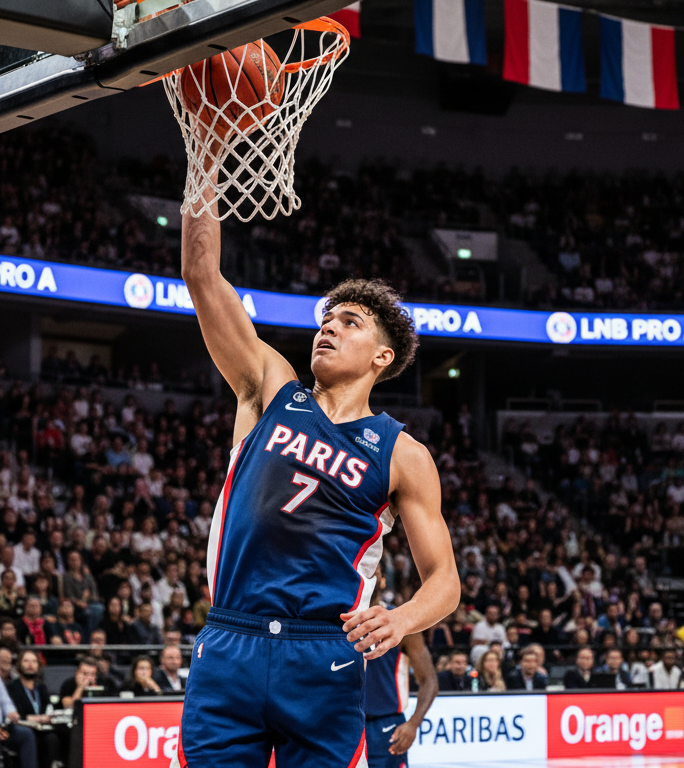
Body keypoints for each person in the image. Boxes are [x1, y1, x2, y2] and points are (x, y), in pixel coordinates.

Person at [178, 203, 459, 768]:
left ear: (383, 356)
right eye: (326, 320)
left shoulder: (403, 453)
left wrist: (400, 618)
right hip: (234, 637)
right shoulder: (270, 390)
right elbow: (201, 275)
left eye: (349, 322)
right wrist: (202, 170)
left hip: (325, 653)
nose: (328, 326)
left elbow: (445, 581)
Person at [364, 630, 437, 768]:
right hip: (342, 723)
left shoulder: (401, 622)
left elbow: (429, 680)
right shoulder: (336, 619)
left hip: (386, 725)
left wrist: (413, 723)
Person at [7, 650, 64, 768]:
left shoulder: (41, 687)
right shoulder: (12, 687)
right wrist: (32, 718)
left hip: (42, 728)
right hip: (22, 728)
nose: (30, 665)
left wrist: (46, 717)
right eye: (26, 661)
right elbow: (12, 712)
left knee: (54, 737)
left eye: (34, 661)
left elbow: (48, 708)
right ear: (19, 665)